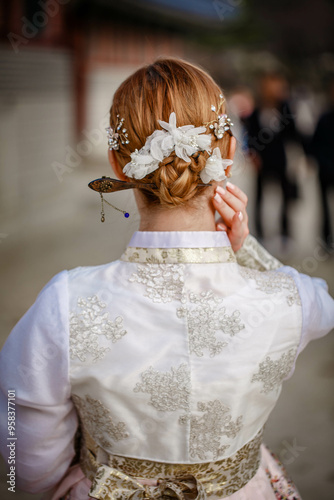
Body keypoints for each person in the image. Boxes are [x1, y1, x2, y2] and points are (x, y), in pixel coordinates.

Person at [0, 58, 333, 500]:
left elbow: (22, 449)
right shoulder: (290, 298)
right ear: (228, 154)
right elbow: (324, 305)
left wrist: (64, 482)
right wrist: (245, 247)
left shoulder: (65, 301)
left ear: (118, 165)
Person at [244, 72, 301, 242]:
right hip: (262, 160)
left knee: (285, 197)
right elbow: (250, 135)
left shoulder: (285, 108)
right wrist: (252, 154)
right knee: (259, 196)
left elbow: (293, 134)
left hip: (280, 159)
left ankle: (284, 233)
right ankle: (260, 234)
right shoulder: (256, 109)